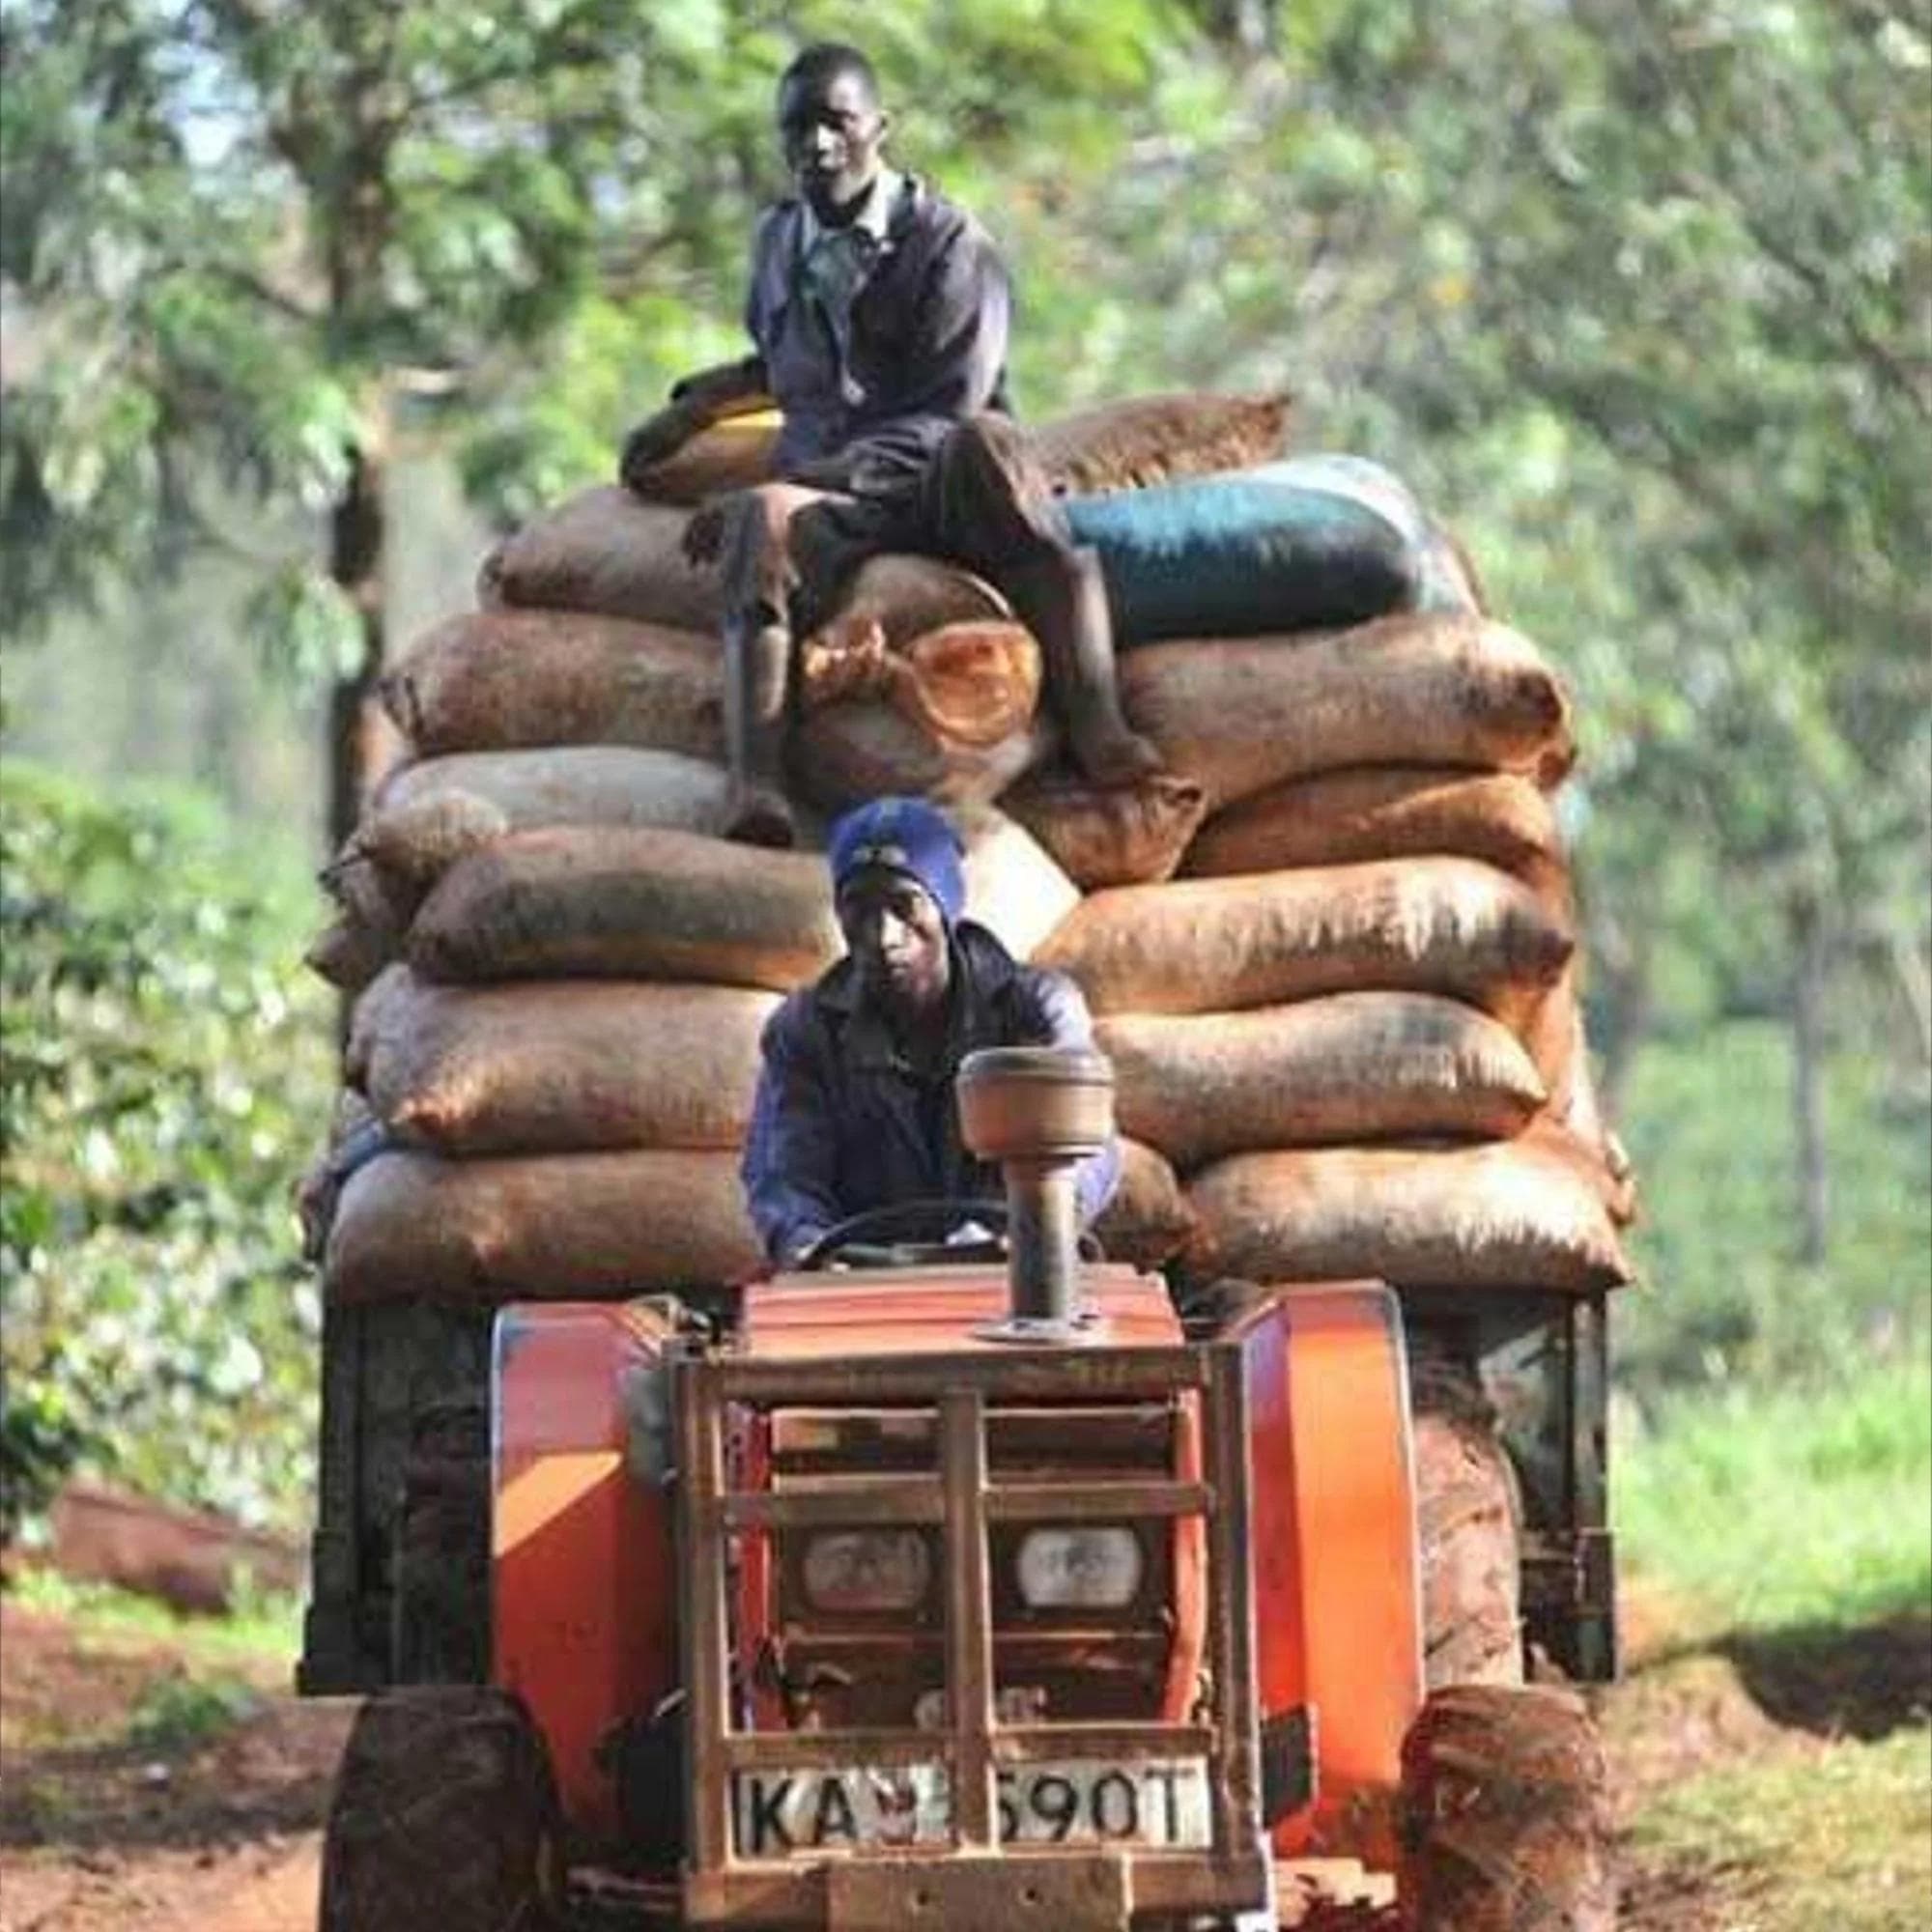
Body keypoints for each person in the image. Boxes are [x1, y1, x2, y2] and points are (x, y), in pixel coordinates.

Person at [619, 41, 1158, 846]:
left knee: (990, 451)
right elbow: (789, 363)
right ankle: (756, 788)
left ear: (880, 127)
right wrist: (697, 407)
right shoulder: (777, 244)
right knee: (759, 530)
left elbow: (947, 408)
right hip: (831, 500)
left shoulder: (950, 247)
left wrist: (810, 483)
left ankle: (1097, 723)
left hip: (939, 483)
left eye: (836, 123)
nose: (817, 146)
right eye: (797, 128)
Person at [741, 796, 1120, 1267]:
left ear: (946, 906)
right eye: (858, 907)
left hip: (1013, 1277)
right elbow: (785, 1173)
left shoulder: (1033, 1011)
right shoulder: (807, 1031)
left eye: (904, 905)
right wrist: (805, 1245)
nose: (882, 935)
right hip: (860, 1287)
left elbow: (1085, 1152)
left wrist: (1036, 1225)